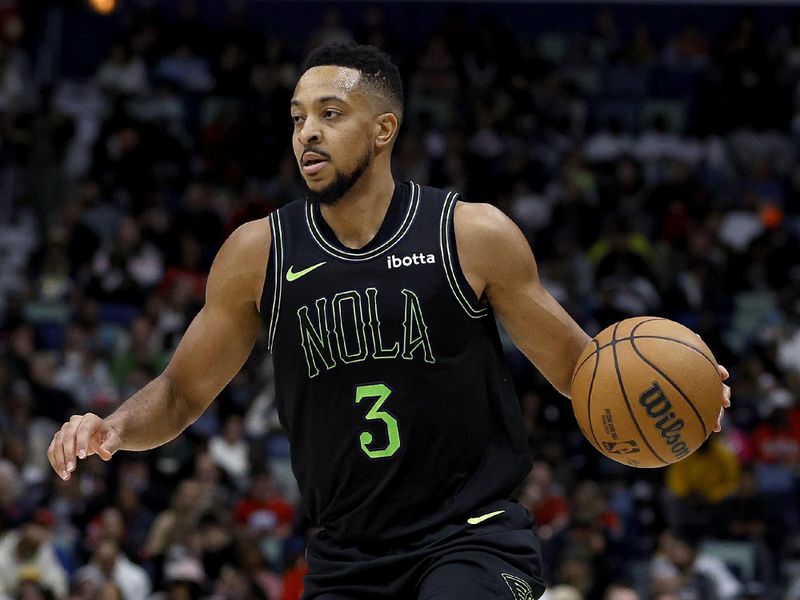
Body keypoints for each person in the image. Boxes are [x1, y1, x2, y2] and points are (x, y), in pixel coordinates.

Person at [47, 43, 731, 600]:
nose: (306, 132)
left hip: (472, 537)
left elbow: (586, 372)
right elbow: (182, 393)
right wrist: (114, 427)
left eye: (330, 113)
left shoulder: (470, 234)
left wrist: (685, 389)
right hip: (346, 555)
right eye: (296, 117)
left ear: (383, 130)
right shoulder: (259, 253)